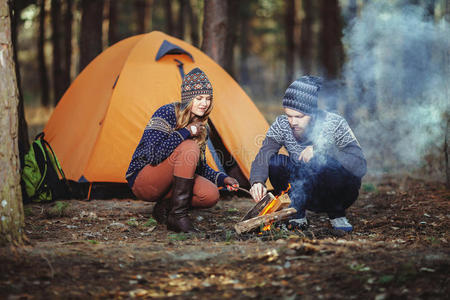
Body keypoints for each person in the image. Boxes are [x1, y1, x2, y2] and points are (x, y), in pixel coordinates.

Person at [126, 67, 239, 233]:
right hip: (144, 179)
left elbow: (197, 166)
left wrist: (223, 179)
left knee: (210, 194)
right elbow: (153, 155)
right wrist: (186, 132)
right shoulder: (167, 113)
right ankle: (179, 216)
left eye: (208, 98)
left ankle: (166, 209)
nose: (204, 103)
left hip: (171, 183)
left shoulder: (202, 126)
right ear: (188, 98)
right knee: (189, 146)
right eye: (199, 98)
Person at [249, 76, 366, 232]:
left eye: (299, 117)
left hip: (338, 192)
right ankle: (296, 213)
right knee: (275, 162)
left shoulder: (334, 123)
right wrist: (257, 181)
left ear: (313, 114)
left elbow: (359, 164)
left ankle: (336, 214)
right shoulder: (282, 124)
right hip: (303, 191)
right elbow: (264, 154)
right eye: (289, 115)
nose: (293, 122)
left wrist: (320, 152)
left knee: (322, 161)